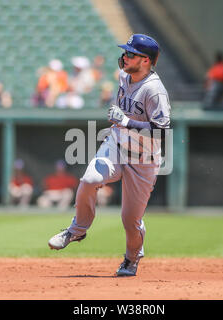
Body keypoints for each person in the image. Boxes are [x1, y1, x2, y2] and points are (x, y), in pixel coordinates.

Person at [48, 34, 171, 277]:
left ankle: (131, 258)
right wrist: (121, 124)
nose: (125, 56)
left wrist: (126, 120)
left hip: (143, 159)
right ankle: (77, 229)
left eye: (131, 53)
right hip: (115, 145)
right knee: (90, 180)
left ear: (146, 60)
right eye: (126, 52)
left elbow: (162, 132)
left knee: (130, 220)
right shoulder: (125, 75)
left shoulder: (155, 91)